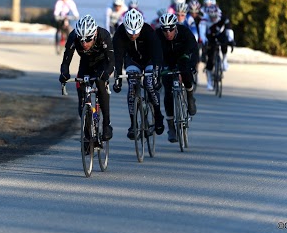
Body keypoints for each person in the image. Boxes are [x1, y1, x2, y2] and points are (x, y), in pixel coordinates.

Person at [59, 14, 115, 141]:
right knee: (82, 100)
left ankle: (107, 124)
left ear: (94, 34)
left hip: (102, 65)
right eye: (81, 40)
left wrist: (107, 73)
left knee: (101, 84)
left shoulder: (104, 35)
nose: (84, 43)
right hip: (85, 65)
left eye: (88, 39)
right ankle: (87, 135)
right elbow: (66, 61)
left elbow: (112, 61)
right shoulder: (73, 36)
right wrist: (64, 74)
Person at [112, 9, 165, 139]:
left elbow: (158, 54)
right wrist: (117, 78)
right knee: (132, 85)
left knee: (149, 83)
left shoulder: (148, 31)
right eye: (130, 34)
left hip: (149, 60)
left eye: (136, 33)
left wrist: (157, 75)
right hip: (132, 60)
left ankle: (158, 115)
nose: (133, 36)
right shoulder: (119, 33)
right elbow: (117, 58)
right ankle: (133, 124)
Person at [155, 13, 198, 143]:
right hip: (166, 61)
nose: (168, 33)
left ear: (176, 27)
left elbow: (194, 49)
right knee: (168, 91)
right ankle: (171, 127)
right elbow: (153, 54)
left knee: (185, 72)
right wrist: (157, 70)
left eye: (171, 29)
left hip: (182, 57)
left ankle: (190, 96)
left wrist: (192, 65)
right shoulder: (157, 35)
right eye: (165, 30)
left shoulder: (184, 32)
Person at [199, 5, 235, 90]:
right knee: (210, 59)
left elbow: (229, 30)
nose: (213, 19)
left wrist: (231, 40)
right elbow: (202, 33)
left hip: (220, 34)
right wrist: (205, 42)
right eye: (211, 17)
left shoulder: (223, 18)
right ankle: (209, 82)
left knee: (225, 42)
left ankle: (224, 60)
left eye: (215, 17)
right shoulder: (204, 19)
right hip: (209, 36)